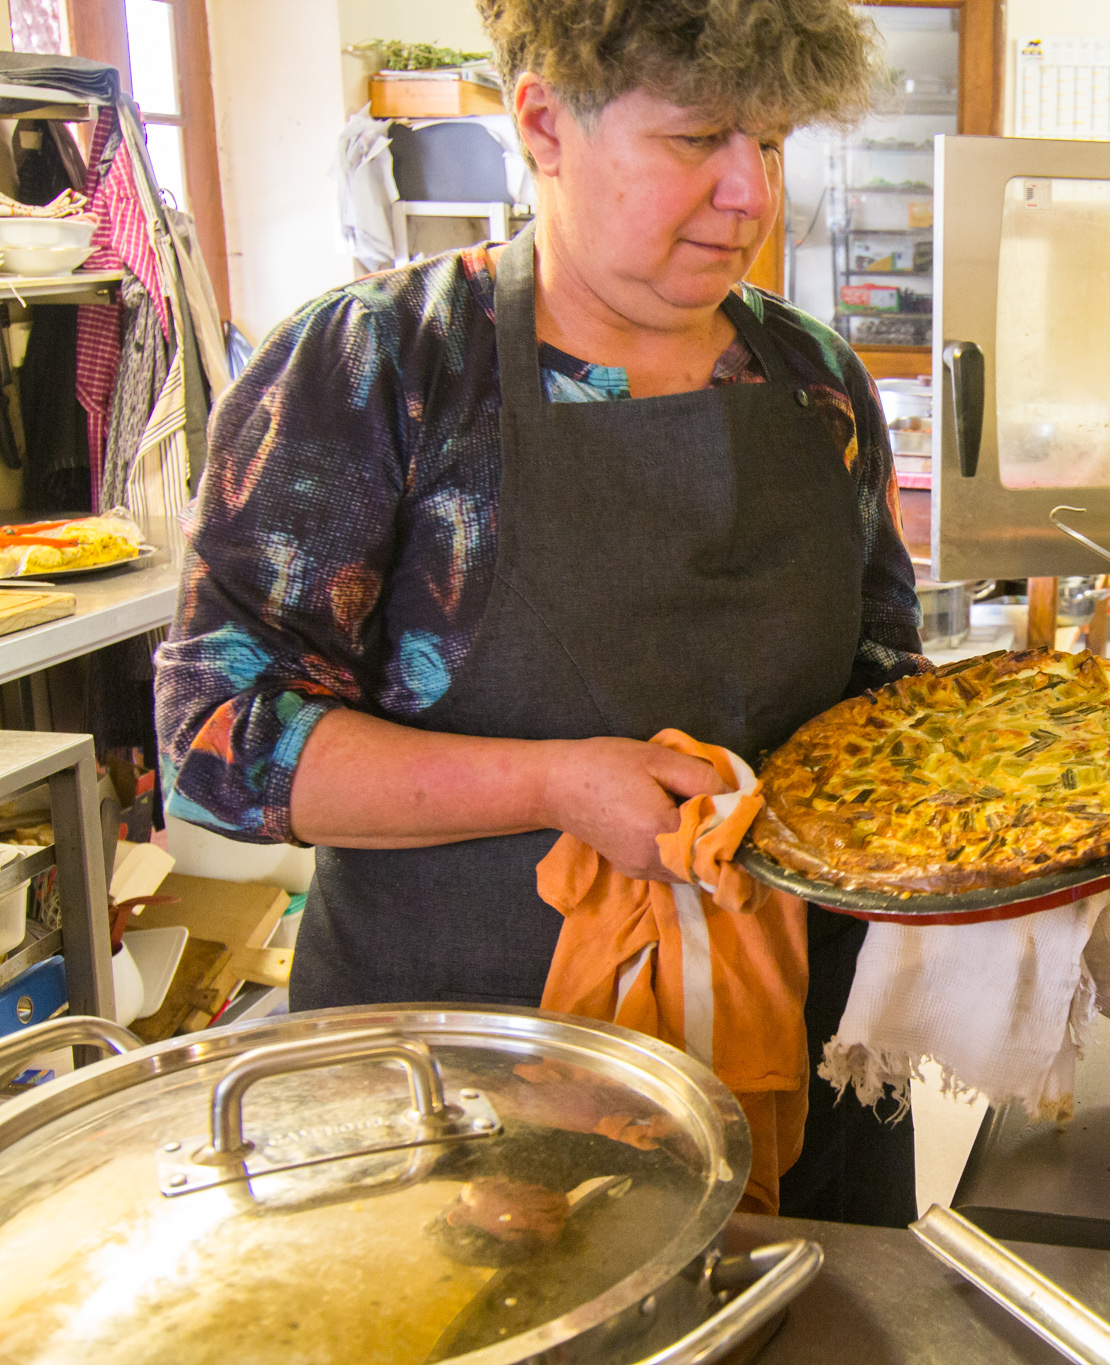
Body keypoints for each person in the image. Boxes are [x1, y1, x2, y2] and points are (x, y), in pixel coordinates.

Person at [154, 0, 922, 1223]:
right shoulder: (379, 369)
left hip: (794, 1069)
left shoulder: (816, 383)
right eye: (700, 139)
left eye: (769, 144)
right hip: (462, 1094)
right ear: (543, 123)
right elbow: (219, 747)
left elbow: (886, 689)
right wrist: (557, 784)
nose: (748, 193)